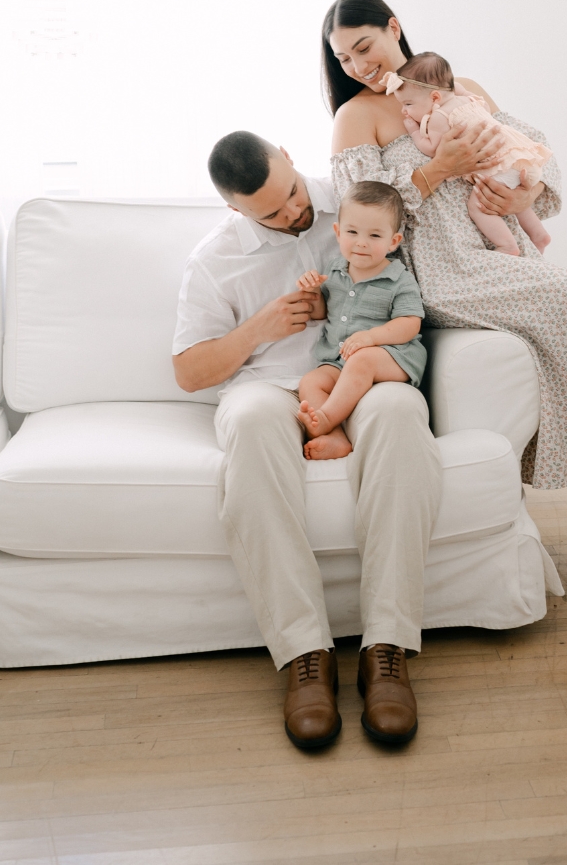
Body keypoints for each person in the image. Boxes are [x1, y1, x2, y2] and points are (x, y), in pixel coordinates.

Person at [320, 0, 567, 591]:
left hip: (499, 251)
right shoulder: (357, 116)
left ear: (393, 27)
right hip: (441, 267)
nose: (357, 66)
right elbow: (363, 221)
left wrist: (524, 194)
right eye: (344, 58)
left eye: (363, 47)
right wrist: (434, 169)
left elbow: (530, 155)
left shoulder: (459, 85)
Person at [174, 133, 433, 750]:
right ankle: (305, 656)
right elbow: (188, 372)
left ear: (291, 156)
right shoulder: (215, 260)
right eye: (271, 211)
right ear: (237, 211)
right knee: (256, 425)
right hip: (266, 384)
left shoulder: (353, 208)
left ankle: (387, 648)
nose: (294, 212)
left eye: (291, 191)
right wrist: (257, 329)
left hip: (358, 374)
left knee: (400, 413)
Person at [292, 182, 428, 463]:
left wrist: (372, 337)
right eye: (352, 232)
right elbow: (321, 314)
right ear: (338, 232)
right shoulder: (334, 271)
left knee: (362, 360)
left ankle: (325, 419)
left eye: (375, 235)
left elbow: (410, 323)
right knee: (311, 381)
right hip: (339, 359)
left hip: (391, 356)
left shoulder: (398, 278)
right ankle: (335, 438)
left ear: (393, 241)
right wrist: (313, 293)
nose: (361, 242)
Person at [390, 51, 554, 255]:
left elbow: (433, 149)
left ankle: (507, 245)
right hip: (514, 159)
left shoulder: (439, 117)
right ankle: (539, 234)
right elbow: (463, 91)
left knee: (479, 206)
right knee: (511, 195)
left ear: (434, 97)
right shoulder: (471, 100)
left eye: (408, 104)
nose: (404, 111)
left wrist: (414, 131)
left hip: (494, 167)